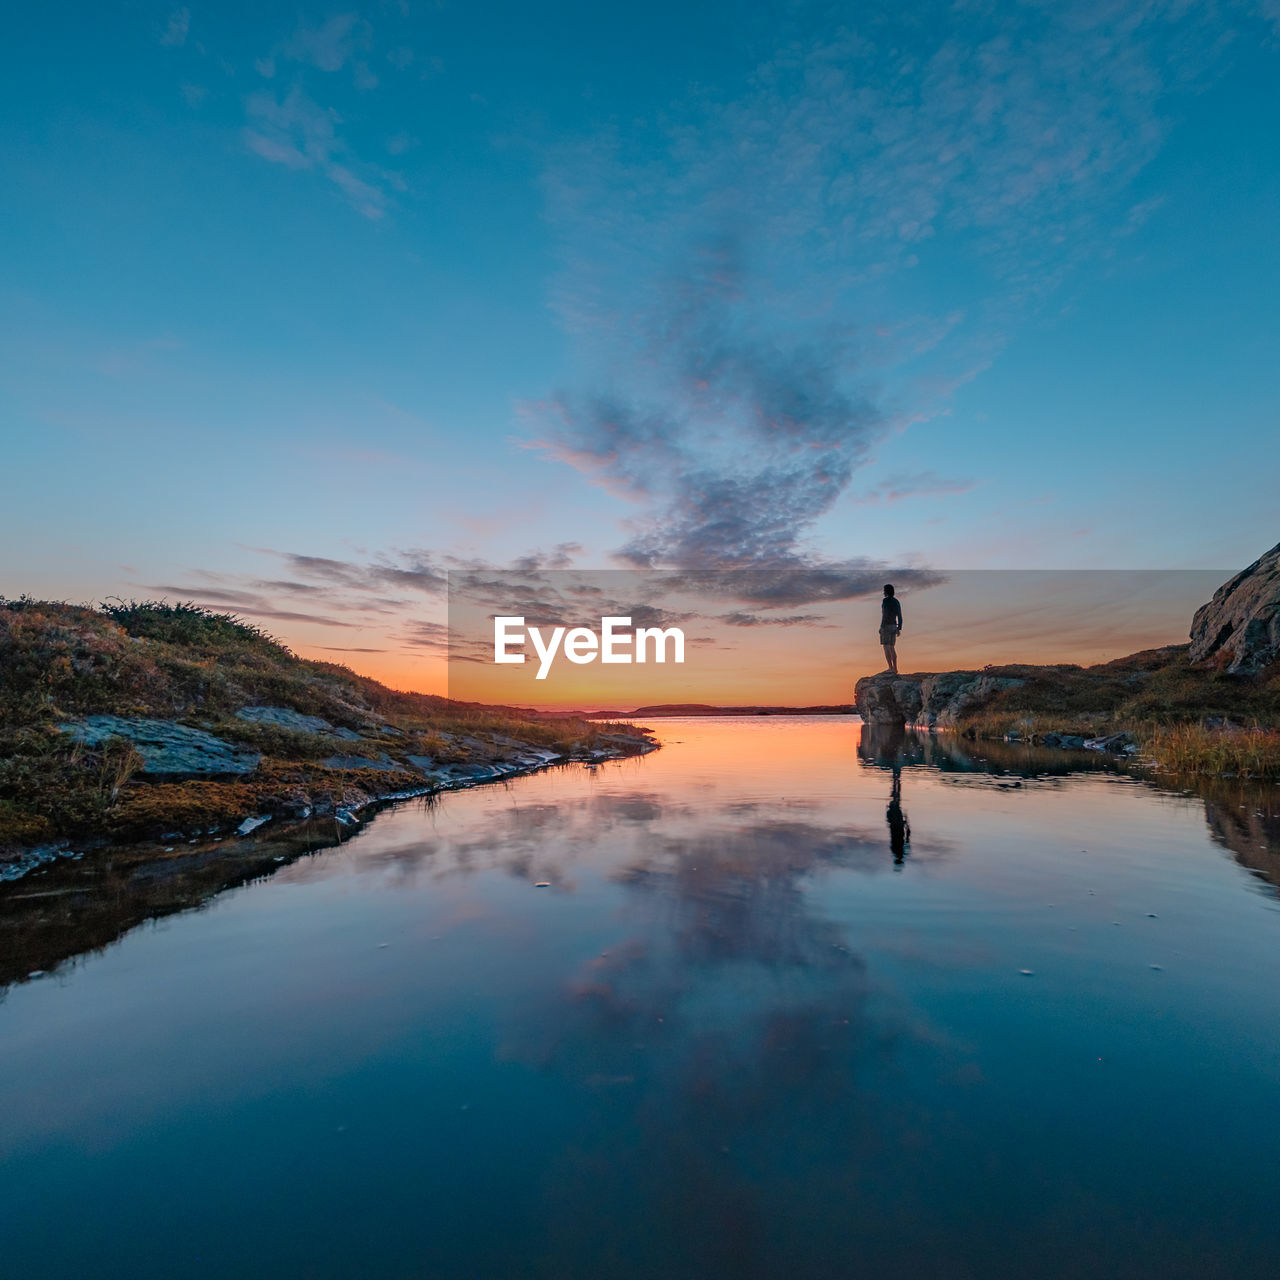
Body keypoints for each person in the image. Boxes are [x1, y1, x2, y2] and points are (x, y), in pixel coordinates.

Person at [880, 584, 902, 674]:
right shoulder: (896, 601)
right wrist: (899, 627)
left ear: (886, 591)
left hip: (886, 626)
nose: (883, 592)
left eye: (884, 590)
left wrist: (881, 627)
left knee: (886, 647)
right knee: (892, 647)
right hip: (893, 626)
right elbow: (900, 615)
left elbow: (884, 614)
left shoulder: (885, 601)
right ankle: (895, 668)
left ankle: (890, 668)